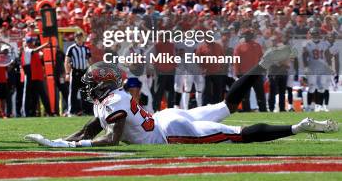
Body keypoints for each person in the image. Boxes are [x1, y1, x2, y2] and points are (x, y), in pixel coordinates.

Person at [25, 47, 338, 148]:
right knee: (227, 106)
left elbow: (110, 138)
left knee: (237, 135)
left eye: (92, 82)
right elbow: (91, 128)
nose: (89, 86)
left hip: (169, 131)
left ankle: (298, 127)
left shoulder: (112, 102)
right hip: (166, 117)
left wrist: (77, 146)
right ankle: (261, 65)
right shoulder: (113, 98)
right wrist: (63, 141)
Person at [22, 36, 53, 117]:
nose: (31, 43)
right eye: (30, 42)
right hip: (30, 75)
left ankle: (48, 112)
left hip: (37, 75)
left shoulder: (34, 51)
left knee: (40, 95)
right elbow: (35, 51)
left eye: (32, 42)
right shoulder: (27, 50)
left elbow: (40, 55)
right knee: (29, 95)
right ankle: (27, 113)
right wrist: (45, 45)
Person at [64, 31, 91, 116]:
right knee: (73, 93)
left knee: (85, 93)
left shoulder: (86, 49)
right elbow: (67, 61)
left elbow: (89, 61)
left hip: (84, 73)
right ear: (75, 38)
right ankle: (71, 111)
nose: (79, 39)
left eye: (80, 37)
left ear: (83, 38)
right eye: (78, 37)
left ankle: (86, 111)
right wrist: (67, 73)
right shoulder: (71, 48)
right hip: (75, 72)